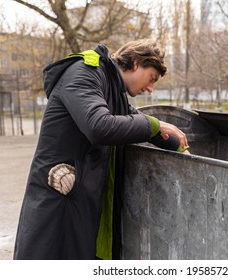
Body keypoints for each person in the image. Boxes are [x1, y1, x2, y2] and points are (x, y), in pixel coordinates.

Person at [13, 39, 189, 260]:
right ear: (135, 63)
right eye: (151, 78)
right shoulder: (84, 73)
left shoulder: (112, 87)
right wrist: (155, 124)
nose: (151, 88)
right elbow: (99, 126)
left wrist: (180, 147)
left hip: (79, 198)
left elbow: (134, 119)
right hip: (57, 197)